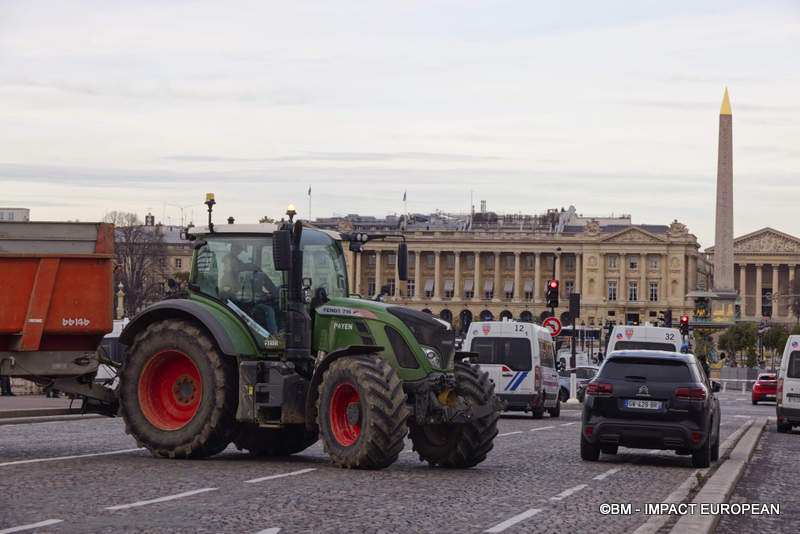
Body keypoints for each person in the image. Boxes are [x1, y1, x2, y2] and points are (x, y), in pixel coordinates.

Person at [220, 252, 279, 334]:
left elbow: (266, 283)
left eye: (226, 263)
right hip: (237, 306)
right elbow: (223, 292)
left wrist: (275, 293)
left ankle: (275, 336)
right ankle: (273, 337)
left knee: (277, 307)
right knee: (269, 311)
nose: (224, 266)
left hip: (253, 301)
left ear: (233, 261)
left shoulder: (250, 270)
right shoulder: (227, 277)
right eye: (225, 264)